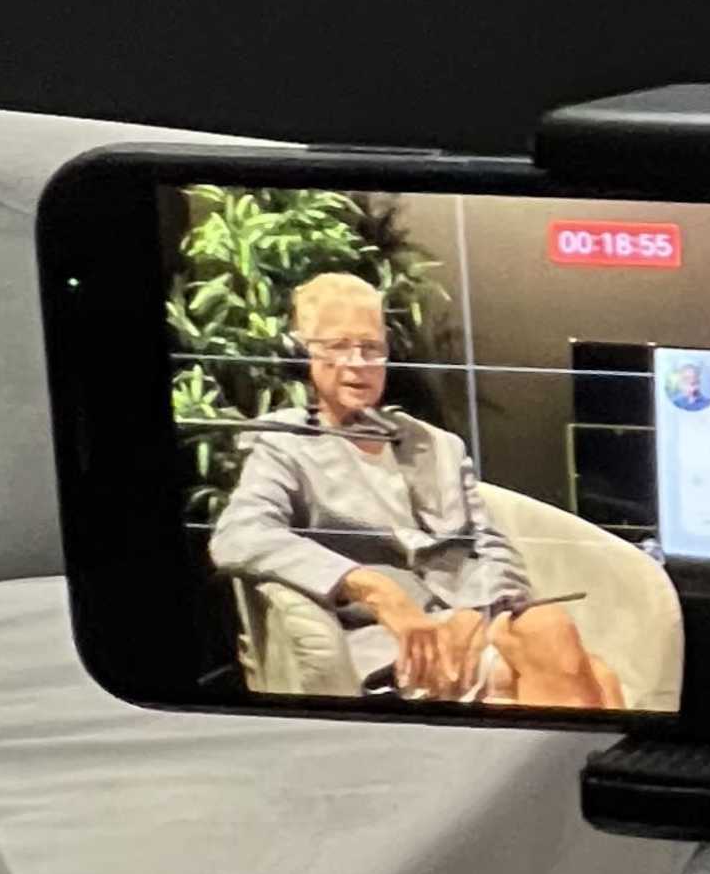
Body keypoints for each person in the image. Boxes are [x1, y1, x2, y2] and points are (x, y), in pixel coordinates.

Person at [209, 272, 627, 707]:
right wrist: (373, 588)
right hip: (392, 642)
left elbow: (492, 547)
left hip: (470, 623)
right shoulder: (285, 444)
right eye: (337, 346)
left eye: (371, 348)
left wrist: (474, 610)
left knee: (549, 626)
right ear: (305, 355)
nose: (358, 363)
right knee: (595, 678)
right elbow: (239, 536)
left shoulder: (437, 446)